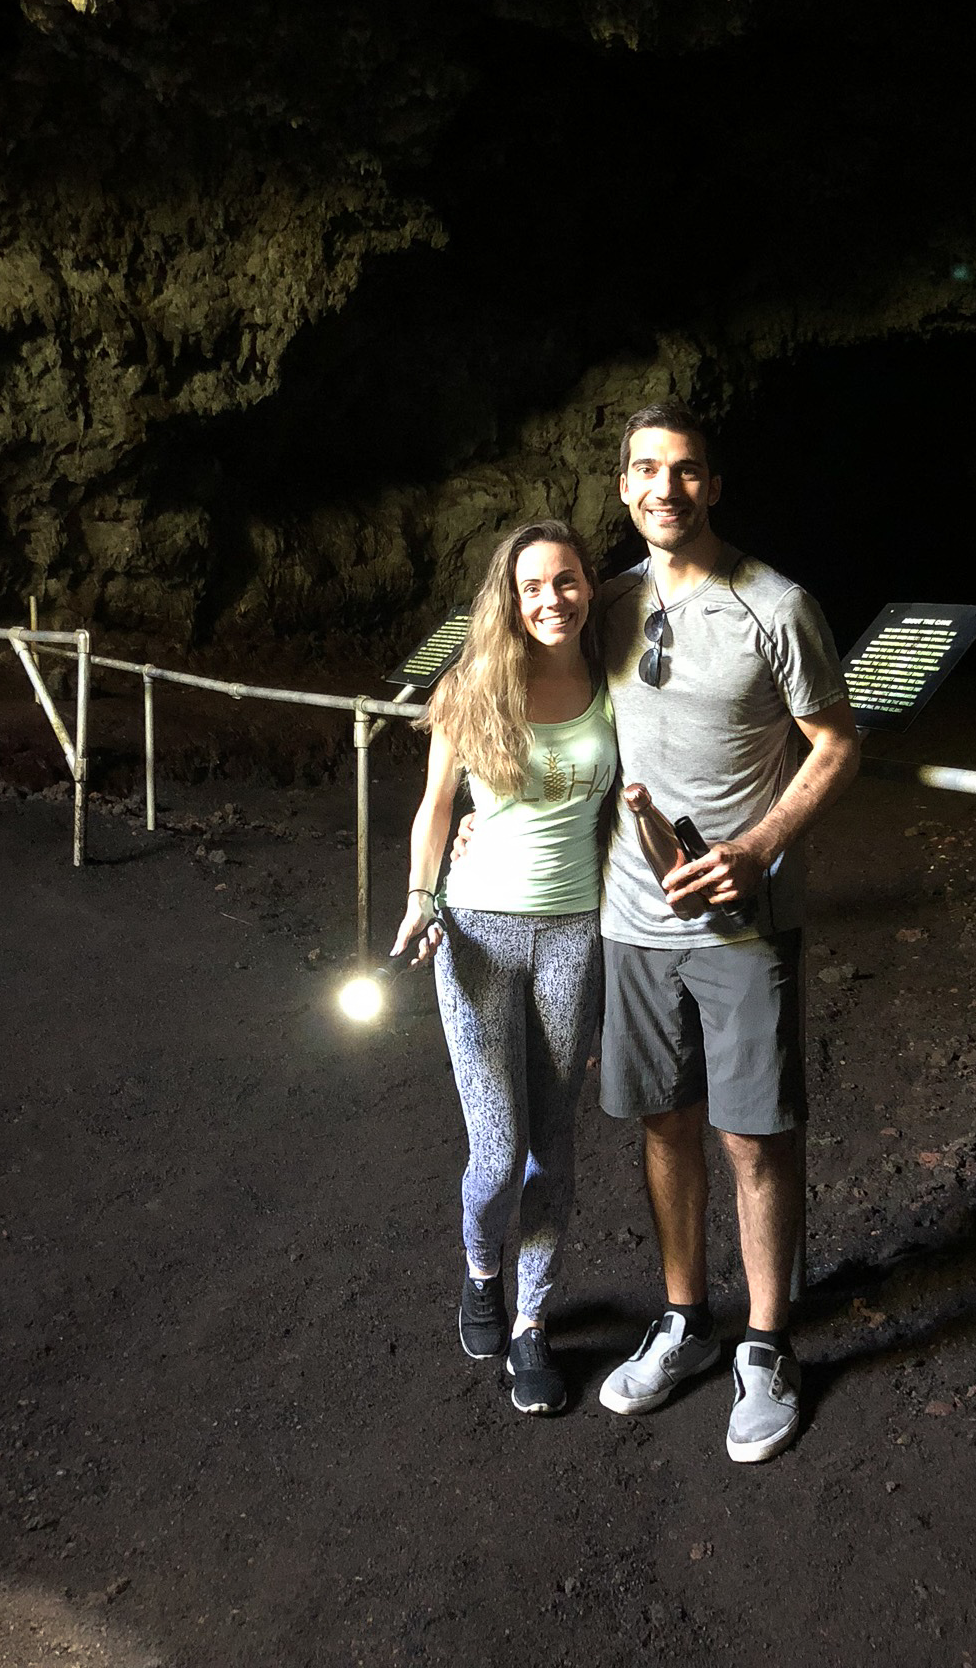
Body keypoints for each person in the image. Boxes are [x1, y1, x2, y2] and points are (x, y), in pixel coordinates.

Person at [595, 400, 860, 1462]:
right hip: (633, 915)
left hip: (742, 923)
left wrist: (759, 846)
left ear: (714, 485)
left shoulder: (776, 606)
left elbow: (836, 742)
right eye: (647, 470)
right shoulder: (609, 603)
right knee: (665, 1120)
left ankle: (765, 1342)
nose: (666, 487)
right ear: (624, 486)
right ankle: (683, 1319)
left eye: (687, 470)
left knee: (753, 1133)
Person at [391, 518, 615, 1415]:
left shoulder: (613, 681)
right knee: (498, 1150)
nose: (552, 600)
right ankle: (481, 1267)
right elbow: (436, 805)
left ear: (588, 585)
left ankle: (531, 1322)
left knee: (553, 1148)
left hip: (573, 935)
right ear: (509, 599)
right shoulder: (472, 684)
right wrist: (421, 896)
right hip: (478, 935)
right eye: (532, 587)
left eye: (566, 580)